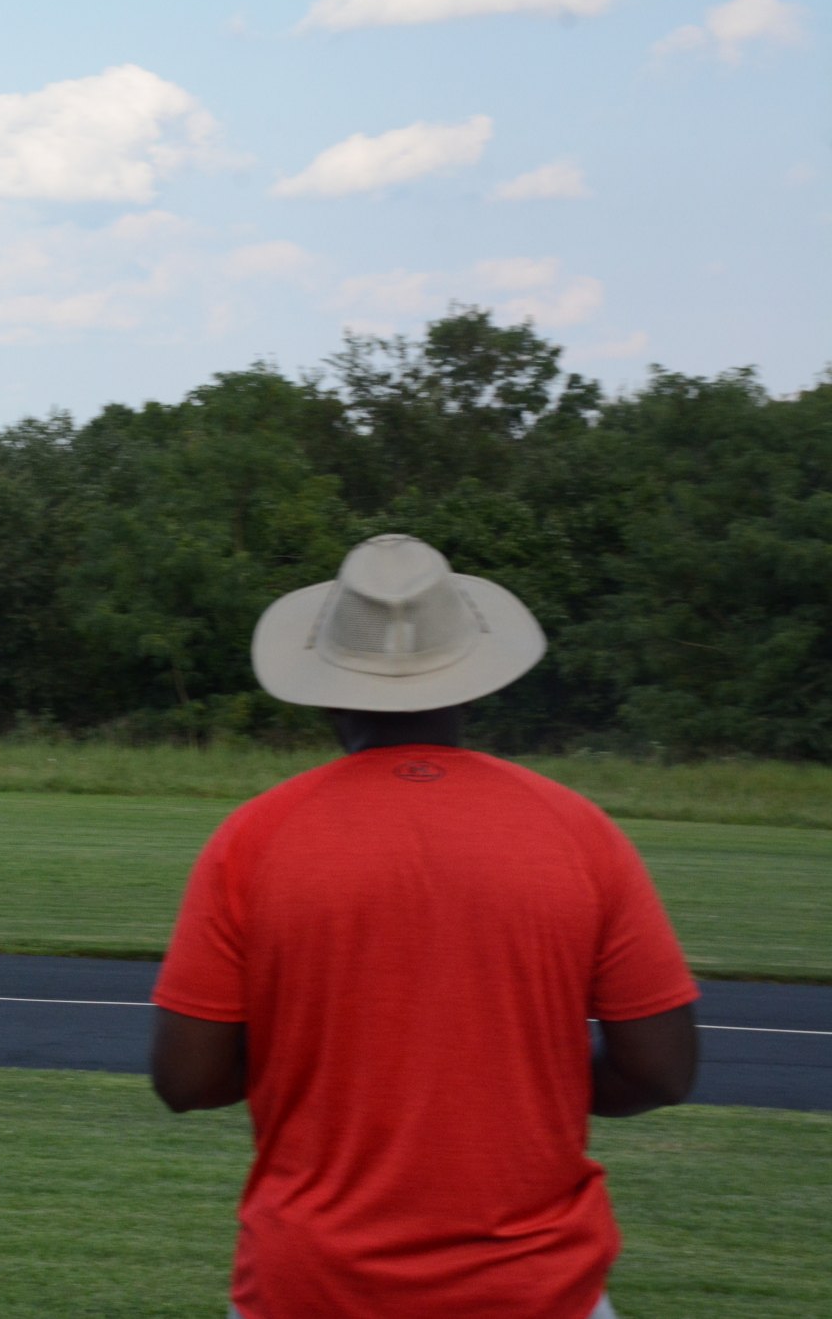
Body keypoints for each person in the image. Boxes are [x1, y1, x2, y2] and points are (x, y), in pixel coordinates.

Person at [150, 534, 700, 1319]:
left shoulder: (253, 839)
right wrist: (519, 1086)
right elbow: (662, 1069)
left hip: (310, 1284)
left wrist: (318, 1066)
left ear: (326, 689)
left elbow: (187, 1078)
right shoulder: (580, 831)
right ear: (472, 683)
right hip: (538, 1289)